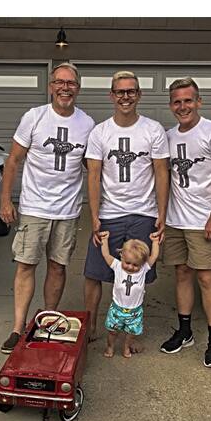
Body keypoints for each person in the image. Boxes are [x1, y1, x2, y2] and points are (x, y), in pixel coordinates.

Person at [0, 62, 95, 354]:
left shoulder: (87, 124)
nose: (65, 88)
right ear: (51, 86)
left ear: (78, 88)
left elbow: (92, 168)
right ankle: (18, 327)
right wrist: (6, 200)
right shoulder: (34, 117)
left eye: (71, 83)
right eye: (59, 82)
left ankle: (46, 320)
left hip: (67, 210)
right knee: (27, 264)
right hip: (34, 207)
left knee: (58, 265)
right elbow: (13, 160)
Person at [83, 70, 170, 344]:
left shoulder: (153, 129)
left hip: (143, 213)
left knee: (138, 274)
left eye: (131, 91)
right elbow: (94, 175)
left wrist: (162, 214)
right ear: (111, 95)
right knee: (94, 272)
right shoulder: (100, 132)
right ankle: (92, 325)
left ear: (139, 95)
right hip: (110, 214)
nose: (125, 97)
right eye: (120, 92)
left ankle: (130, 328)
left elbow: (161, 172)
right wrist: (95, 216)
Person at [159, 77, 211, 368]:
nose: (183, 106)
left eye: (188, 100)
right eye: (177, 102)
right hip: (177, 219)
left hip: (203, 220)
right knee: (181, 273)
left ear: (198, 102)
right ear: (171, 106)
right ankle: (185, 330)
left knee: (205, 277)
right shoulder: (169, 136)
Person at [98, 230, 160, 358]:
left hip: (135, 311)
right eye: (128, 263)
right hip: (117, 308)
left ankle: (126, 347)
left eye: (135, 265)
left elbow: (153, 256)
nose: (131, 267)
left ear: (142, 263)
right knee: (112, 331)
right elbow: (105, 255)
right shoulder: (117, 266)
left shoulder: (143, 270)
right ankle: (110, 347)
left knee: (131, 332)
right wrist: (104, 240)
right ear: (122, 257)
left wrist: (155, 242)